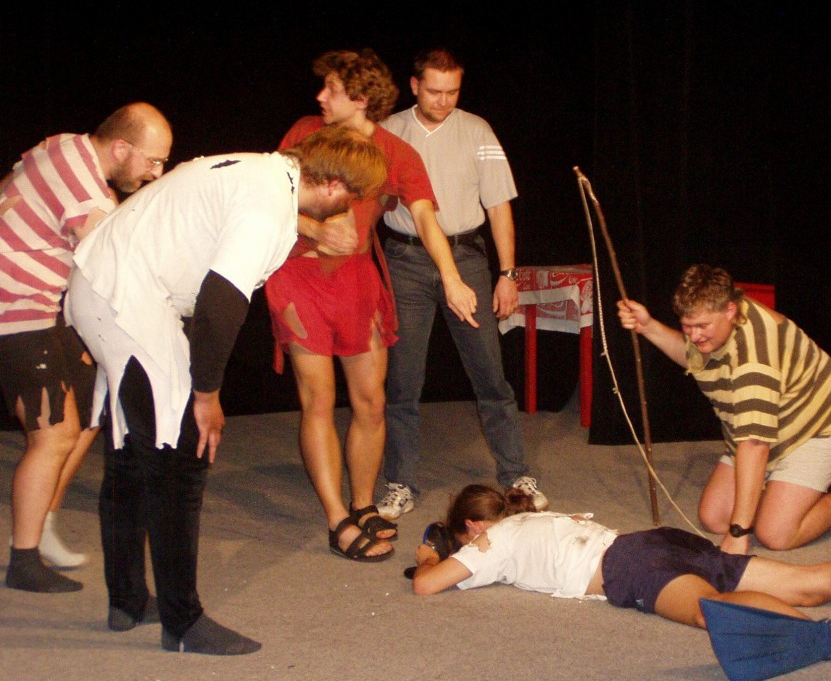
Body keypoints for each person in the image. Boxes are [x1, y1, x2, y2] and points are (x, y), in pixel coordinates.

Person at [64, 125, 387, 655]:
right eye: (352, 198)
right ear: (333, 187)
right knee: (182, 456)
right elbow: (220, 305)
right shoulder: (267, 205)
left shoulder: (261, 172)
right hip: (126, 298)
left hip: (106, 287)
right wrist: (206, 395)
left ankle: (128, 601)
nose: (350, 209)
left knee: (132, 457)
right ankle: (182, 621)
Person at [265, 48, 478, 562]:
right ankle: (336, 517)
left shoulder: (395, 152)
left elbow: (425, 219)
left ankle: (363, 504)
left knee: (371, 402)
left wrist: (452, 278)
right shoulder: (304, 132)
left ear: (360, 99)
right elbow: (264, 197)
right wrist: (314, 228)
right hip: (299, 278)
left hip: (358, 283)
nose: (320, 96)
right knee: (318, 399)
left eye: (332, 90)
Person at [411, 483, 831, 644]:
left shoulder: (494, 540)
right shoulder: (539, 517)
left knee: (706, 612)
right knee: (811, 581)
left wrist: (430, 551)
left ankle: (816, 633)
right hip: (658, 542)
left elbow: (427, 587)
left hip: (631, 568)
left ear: (474, 526)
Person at [617, 264, 831, 555]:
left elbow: (755, 445)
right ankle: (795, 488)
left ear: (730, 310)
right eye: (687, 326)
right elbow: (696, 358)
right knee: (714, 518)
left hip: (820, 424)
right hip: (772, 421)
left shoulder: (754, 362)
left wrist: (739, 532)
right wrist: (648, 327)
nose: (693, 336)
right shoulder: (720, 318)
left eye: (702, 326)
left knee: (776, 534)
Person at [1, 103, 173, 592]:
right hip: (14, 310)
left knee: (90, 404)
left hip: (39, 308)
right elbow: (118, 267)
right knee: (54, 435)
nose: (156, 173)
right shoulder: (87, 195)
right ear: (120, 148)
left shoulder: (64, 144)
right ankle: (24, 560)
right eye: (153, 161)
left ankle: (42, 522)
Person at [377, 48, 546, 519]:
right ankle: (400, 482)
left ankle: (516, 475)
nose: (444, 100)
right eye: (435, 91)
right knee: (403, 379)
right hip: (406, 260)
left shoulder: (478, 131)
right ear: (414, 86)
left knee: (490, 373)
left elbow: (498, 205)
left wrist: (507, 275)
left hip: (466, 256)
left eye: (453, 92)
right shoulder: (388, 131)